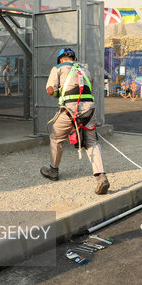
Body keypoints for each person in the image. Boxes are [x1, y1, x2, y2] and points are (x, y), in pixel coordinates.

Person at [40, 48, 110, 195]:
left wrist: (57, 93)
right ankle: (101, 176)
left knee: (57, 138)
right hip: (89, 110)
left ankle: (53, 171)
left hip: (69, 110)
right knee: (91, 142)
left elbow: (50, 89)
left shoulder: (57, 68)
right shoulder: (85, 70)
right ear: (73, 58)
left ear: (60, 59)